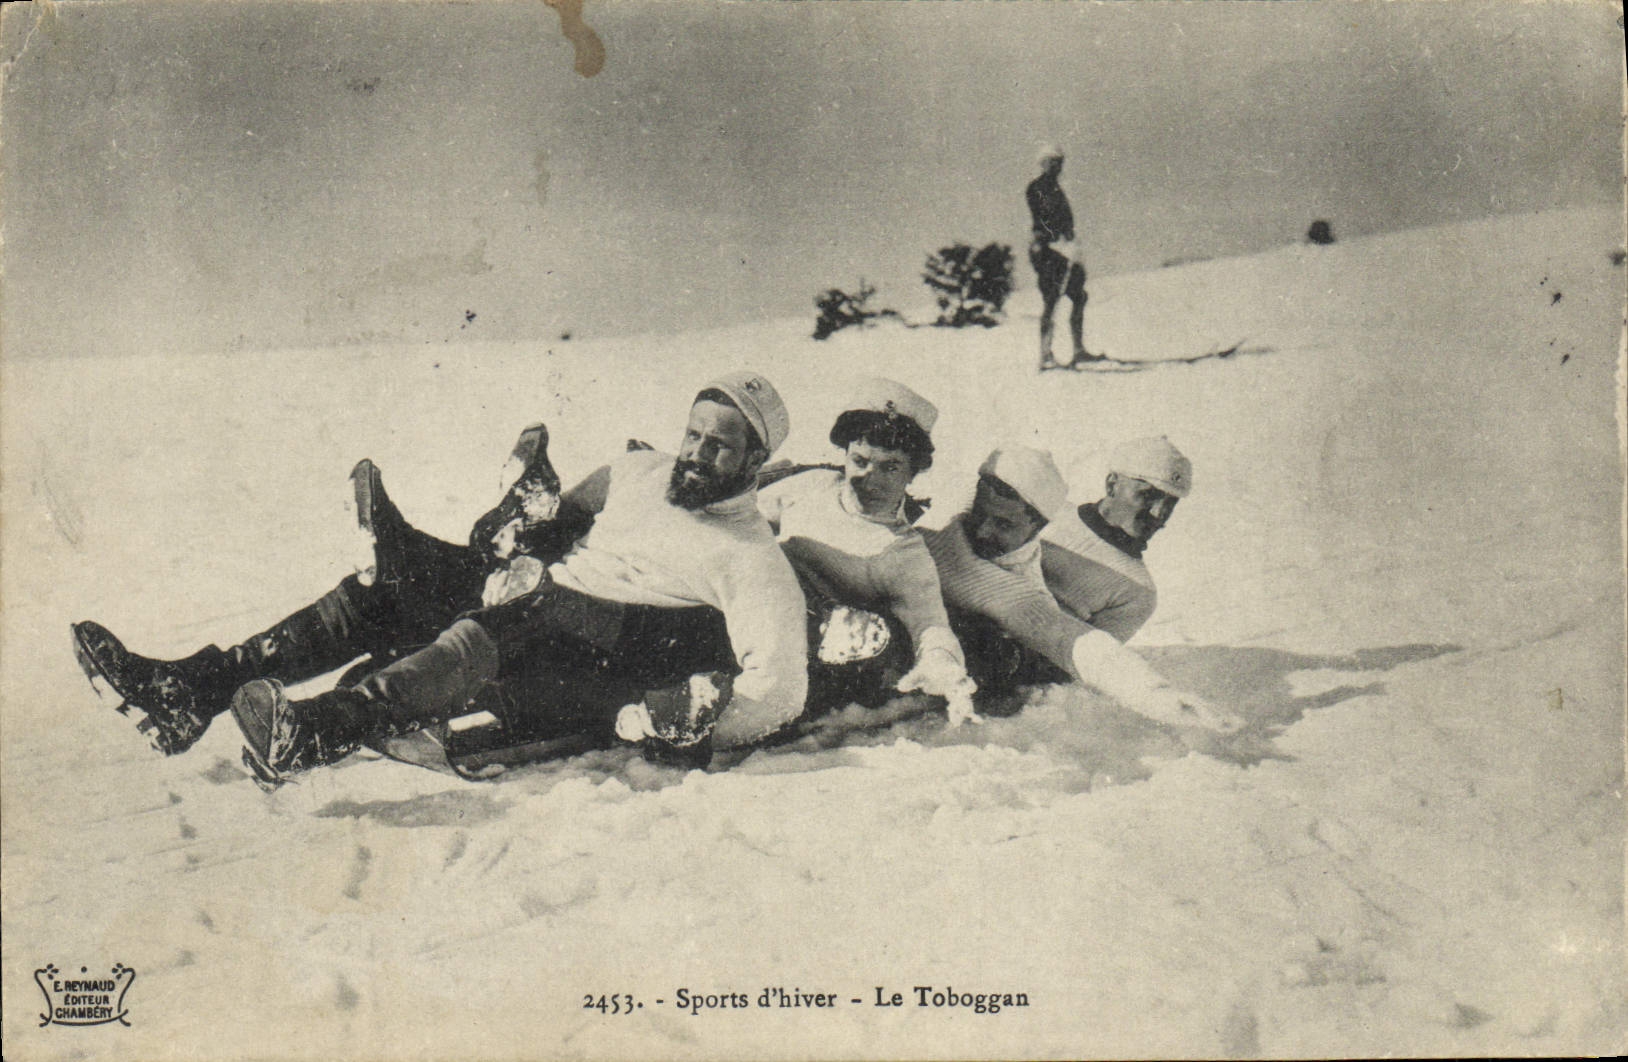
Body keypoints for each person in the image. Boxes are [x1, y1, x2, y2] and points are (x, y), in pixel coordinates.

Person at [228, 371, 811, 786]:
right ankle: (212, 678)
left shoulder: (751, 557)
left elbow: (782, 690)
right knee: (407, 582)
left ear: (755, 462)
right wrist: (525, 534)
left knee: (513, 615)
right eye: (693, 435)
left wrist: (687, 728)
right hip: (538, 601)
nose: (695, 455)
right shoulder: (639, 471)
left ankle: (313, 733)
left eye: (719, 447)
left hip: (602, 651)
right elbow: (565, 519)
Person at [71, 423, 593, 756]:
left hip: (556, 654)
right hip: (518, 613)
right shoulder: (645, 490)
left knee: (419, 585)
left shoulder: (657, 536)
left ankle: (407, 556)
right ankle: (186, 691)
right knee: (378, 596)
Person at [922, 444, 1239, 733]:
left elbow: (1070, 665)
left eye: (1169, 503)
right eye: (1147, 496)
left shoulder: (1138, 591)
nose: (1158, 514)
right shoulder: (1046, 506)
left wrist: (1154, 694)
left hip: (1015, 652)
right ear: (1112, 484)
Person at [755, 378, 978, 726]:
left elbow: (930, 623)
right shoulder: (810, 487)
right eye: (860, 460)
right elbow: (744, 521)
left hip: (806, 650)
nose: (868, 479)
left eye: (890, 467)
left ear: (912, 474)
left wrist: (941, 663)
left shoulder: (903, 553)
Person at [1025, 145, 1093, 369]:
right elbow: (1044, 219)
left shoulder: (1055, 189)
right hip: (1046, 250)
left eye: (1060, 162)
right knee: (1052, 298)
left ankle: (1078, 349)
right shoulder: (1038, 188)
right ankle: (1045, 354)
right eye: (1053, 162)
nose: (1058, 166)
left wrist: (1070, 239)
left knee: (1078, 296)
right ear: (1043, 163)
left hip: (1061, 249)